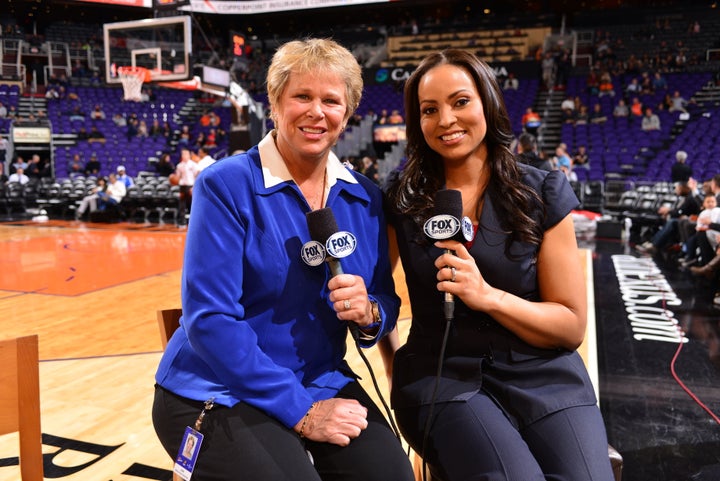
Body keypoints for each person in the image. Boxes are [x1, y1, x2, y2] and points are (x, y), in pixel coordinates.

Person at [151, 38, 415, 481]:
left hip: (321, 380)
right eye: (302, 96)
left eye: (331, 100)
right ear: (275, 102)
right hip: (216, 390)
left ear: (347, 114)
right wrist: (302, 411)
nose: (317, 112)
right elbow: (210, 319)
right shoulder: (226, 185)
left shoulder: (366, 198)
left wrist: (369, 312)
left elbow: (386, 301)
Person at [383, 49, 615, 481]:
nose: (446, 119)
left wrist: (489, 297)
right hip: (441, 379)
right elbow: (378, 294)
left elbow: (570, 325)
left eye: (460, 101)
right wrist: (393, 360)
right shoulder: (402, 199)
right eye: (429, 110)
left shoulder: (541, 190)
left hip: (543, 375)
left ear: (486, 102)